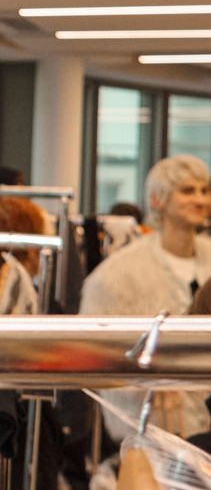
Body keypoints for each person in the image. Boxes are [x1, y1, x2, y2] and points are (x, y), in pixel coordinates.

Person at [79, 154, 211, 439]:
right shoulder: (119, 274)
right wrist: (152, 379)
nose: (200, 199)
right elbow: (99, 350)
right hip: (154, 422)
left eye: (205, 190)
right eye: (187, 191)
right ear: (157, 199)